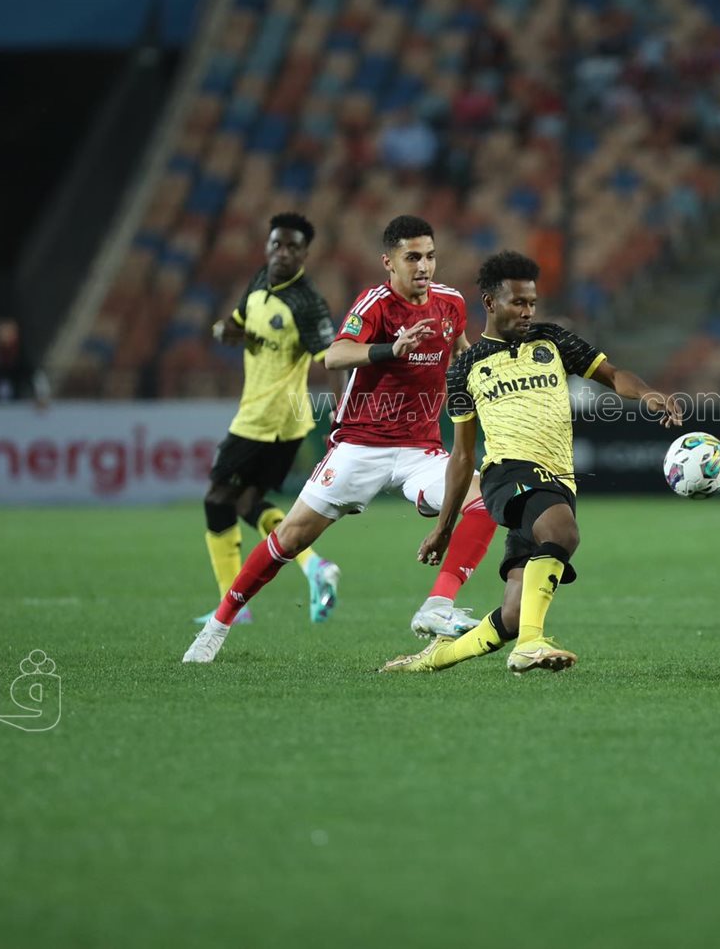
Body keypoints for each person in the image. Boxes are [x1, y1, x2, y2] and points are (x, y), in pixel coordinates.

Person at [183, 215, 500, 663]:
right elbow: (335, 355)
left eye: (430, 256)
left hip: (421, 450)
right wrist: (392, 349)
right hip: (360, 447)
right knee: (289, 539)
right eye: (412, 257)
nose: (424, 266)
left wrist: (493, 371)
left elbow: (461, 351)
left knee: (485, 499)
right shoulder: (375, 304)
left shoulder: (450, 302)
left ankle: (437, 605)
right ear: (389, 262)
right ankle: (217, 626)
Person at [379, 250, 682, 675]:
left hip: (557, 480)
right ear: (490, 303)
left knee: (514, 613)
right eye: (518, 302)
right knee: (562, 532)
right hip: (507, 473)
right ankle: (531, 645)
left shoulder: (552, 340)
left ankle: (432, 659)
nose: (527, 311)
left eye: (532, 303)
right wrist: (444, 527)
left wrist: (646, 393)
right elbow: (463, 455)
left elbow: (613, 375)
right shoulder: (465, 368)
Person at [196, 213, 340, 627]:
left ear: (305, 254)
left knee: (216, 499)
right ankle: (314, 567)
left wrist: (340, 413)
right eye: (277, 244)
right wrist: (225, 330)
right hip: (273, 422)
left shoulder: (307, 303)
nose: (283, 253)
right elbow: (237, 323)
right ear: (267, 246)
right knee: (246, 503)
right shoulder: (260, 281)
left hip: (265, 421)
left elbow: (333, 358)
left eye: (293, 247)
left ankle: (232, 605)